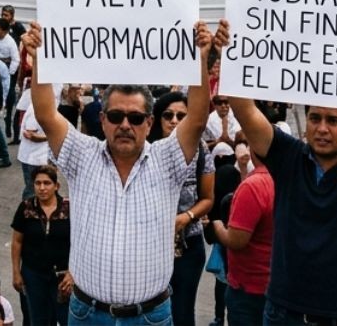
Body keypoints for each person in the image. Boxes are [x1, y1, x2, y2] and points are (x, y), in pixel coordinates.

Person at [215, 21, 337, 326]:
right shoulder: (288, 156)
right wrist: (231, 55)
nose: (322, 128)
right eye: (315, 118)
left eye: (333, 120)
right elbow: (246, 111)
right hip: (284, 312)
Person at [22, 21, 213, 324]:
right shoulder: (81, 154)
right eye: (116, 116)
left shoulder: (169, 159)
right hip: (87, 314)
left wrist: (201, 59)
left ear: (149, 123)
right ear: (103, 119)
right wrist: (39, 58)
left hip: (150, 316)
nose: (125, 124)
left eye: (136, 117)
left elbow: (198, 118)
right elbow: (46, 113)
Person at [156, 91, 214, 326]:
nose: (174, 120)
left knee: (182, 313)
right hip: (151, 247)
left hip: (188, 244)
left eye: (181, 115)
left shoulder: (201, 151)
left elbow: (208, 198)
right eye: (168, 115)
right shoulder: (146, 150)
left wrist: (186, 217)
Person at [210, 148, 275, 326]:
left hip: (249, 290)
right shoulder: (288, 178)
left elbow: (236, 240)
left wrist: (216, 225)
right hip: (278, 287)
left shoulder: (253, 186)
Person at [11, 166, 71, 326]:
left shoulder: (69, 209)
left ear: (56, 186)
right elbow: (17, 241)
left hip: (61, 277)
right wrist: (16, 272)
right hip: (33, 275)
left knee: (66, 318)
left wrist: (72, 274)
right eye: (38, 183)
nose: (42, 188)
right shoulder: (25, 208)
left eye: (47, 183)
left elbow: (79, 244)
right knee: (38, 319)